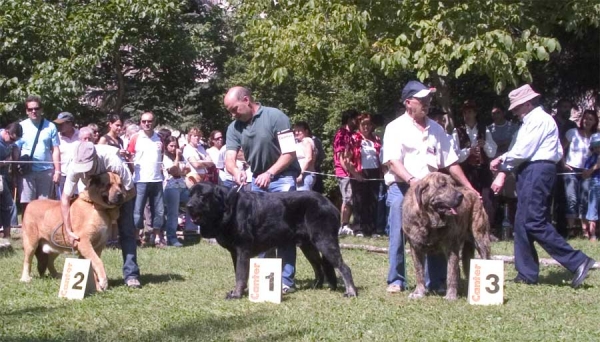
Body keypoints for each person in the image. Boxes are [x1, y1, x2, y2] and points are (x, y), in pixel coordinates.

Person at [490, 84, 595, 287]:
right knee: (521, 223)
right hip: (532, 170)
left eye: (517, 107)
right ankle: (526, 273)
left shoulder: (538, 120)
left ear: (527, 104)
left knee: (534, 221)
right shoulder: (532, 120)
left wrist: (502, 160)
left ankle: (578, 261)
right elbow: (521, 150)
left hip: (537, 170)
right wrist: (504, 162)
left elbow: (522, 151)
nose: (514, 112)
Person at [383, 80, 477, 294]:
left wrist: (470, 188)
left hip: (436, 193)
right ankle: (396, 279)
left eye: (429, 99)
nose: (427, 103)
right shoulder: (394, 128)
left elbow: (451, 163)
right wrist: (412, 181)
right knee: (400, 232)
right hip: (403, 187)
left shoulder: (436, 128)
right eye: (422, 99)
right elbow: (392, 161)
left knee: (439, 231)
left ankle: (436, 281)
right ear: (408, 103)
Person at [223, 86, 301, 294]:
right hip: (257, 181)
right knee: (260, 231)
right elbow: (229, 158)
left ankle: (286, 281)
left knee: (285, 230)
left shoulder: (276, 117)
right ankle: (265, 282)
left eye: (234, 109)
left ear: (246, 100)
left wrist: (270, 173)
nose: (233, 114)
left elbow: (290, 153)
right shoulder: (234, 127)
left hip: (282, 178)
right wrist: (235, 170)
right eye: (229, 111)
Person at [61, 141, 141, 288]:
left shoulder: (113, 161)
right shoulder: (73, 167)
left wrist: (112, 205)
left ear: (96, 159)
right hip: (94, 197)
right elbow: (65, 199)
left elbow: (131, 191)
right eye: (82, 168)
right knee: (87, 235)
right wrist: (68, 230)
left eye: (88, 167)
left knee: (127, 232)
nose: (86, 171)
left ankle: (131, 275)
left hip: (122, 196)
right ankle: (93, 278)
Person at [453, 101, 497, 235]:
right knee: (466, 200)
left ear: (475, 113)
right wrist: (468, 151)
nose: (467, 115)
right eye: (465, 112)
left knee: (487, 200)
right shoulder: (457, 130)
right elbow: (455, 156)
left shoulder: (484, 129)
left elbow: (492, 152)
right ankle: (466, 230)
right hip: (466, 171)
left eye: (470, 112)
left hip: (482, 170)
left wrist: (484, 145)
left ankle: (486, 230)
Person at [17, 95, 61, 212]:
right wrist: (15, 170)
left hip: (46, 171)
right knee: (27, 205)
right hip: (27, 171)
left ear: (41, 109)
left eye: (36, 108)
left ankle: (43, 230)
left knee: (45, 206)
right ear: (26, 111)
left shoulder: (51, 126)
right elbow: (16, 149)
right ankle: (27, 229)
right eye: (30, 109)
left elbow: (55, 149)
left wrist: (57, 170)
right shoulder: (21, 126)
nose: (34, 111)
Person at [127, 112, 165, 247]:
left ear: (154, 122)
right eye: (144, 121)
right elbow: (129, 157)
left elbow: (161, 156)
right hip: (140, 180)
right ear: (140, 123)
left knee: (159, 210)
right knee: (138, 210)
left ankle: (157, 238)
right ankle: (137, 237)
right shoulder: (135, 138)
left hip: (156, 180)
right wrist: (133, 173)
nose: (146, 124)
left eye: (149, 121)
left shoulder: (159, 138)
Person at [563, 109, 598, 238]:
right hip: (571, 170)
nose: (587, 121)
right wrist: (563, 164)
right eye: (585, 118)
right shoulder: (572, 132)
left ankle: (584, 230)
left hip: (587, 171)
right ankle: (571, 230)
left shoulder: (596, 136)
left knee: (584, 200)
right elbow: (561, 148)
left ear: (595, 122)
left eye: (590, 119)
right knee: (571, 199)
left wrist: (591, 170)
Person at [348, 113, 382, 237]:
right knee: (359, 201)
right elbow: (346, 160)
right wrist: (355, 174)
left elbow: (380, 157)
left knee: (373, 201)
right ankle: (358, 228)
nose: (366, 127)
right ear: (358, 125)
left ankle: (371, 229)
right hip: (359, 172)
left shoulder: (376, 139)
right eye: (363, 124)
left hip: (374, 172)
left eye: (368, 124)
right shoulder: (353, 138)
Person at [553, 99, 578, 237]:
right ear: (558, 108)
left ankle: (563, 229)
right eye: (564, 107)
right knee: (552, 197)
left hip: (569, 166)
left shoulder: (572, 125)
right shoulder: (551, 122)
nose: (566, 110)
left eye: (568, 107)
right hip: (553, 164)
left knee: (566, 198)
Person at [333, 109, 361, 235]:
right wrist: (354, 174)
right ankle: (343, 225)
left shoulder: (351, 135)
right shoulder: (341, 134)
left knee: (351, 198)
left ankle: (347, 224)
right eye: (356, 119)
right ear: (350, 119)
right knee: (347, 198)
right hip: (344, 172)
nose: (358, 122)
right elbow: (341, 158)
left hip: (351, 171)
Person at [162, 136, 191, 247]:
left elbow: (187, 169)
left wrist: (180, 170)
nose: (174, 148)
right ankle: (172, 238)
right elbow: (174, 171)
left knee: (194, 202)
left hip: (182, 186)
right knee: (173, 213)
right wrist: (178, 158)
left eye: (175, 146)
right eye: (171, 146)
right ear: (166, 146)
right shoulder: (165, 157)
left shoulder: (180, 156)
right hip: (171, 187)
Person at [0, 123, 22, 239]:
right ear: (7, 132)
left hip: (2, 178)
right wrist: (6, 162)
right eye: (12, 139)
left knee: (8, 206)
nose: (13, 142)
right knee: (8, 205)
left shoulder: (10, 143)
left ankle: (7, 236)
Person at [54, 112, 79, 194]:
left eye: (62, 124)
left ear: (70, 123)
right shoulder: (56, 137)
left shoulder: (81, 135)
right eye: (59, 124)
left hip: (79, 175)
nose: (59, 126)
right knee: (62, 203)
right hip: (63, 176)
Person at [582, 132, 600, 241]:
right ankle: (592, 235)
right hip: (595, 185)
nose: (598, 149)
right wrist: (596, 167)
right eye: (596, 147)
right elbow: (584, 175)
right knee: (592, 210)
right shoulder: (590, 159)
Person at [293, 121, 316, 191]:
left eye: (299, 131)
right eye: (295, 131)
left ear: (306, 131)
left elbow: (309, 158)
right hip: (301, 175)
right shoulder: (299, 142)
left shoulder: (306, 140)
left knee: (303, 200)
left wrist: (301, 174)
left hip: (306, 175)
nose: (296, 133)